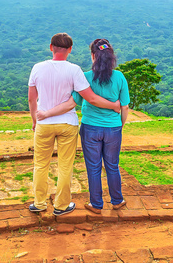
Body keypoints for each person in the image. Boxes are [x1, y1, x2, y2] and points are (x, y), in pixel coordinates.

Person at [28, 33, 120, 216]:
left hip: (44, 123)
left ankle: (39, 203)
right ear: (70, 49)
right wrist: (114, 106)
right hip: (67, 124)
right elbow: (90, 98)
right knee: (65, 166)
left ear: (50, 47)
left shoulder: (37, 68)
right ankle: (61, 206)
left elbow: (32, 99)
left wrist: (35, 120)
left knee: (40, 165)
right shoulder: (74, 70)